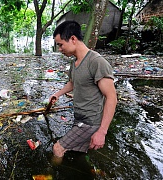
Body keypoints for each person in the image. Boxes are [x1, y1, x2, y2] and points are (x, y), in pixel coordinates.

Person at [50, 20, 117, 163]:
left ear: (73, 39)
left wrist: (102, 132)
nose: (60, 49)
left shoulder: (97, 62)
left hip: (91, 122)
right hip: (79, 118)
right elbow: (73, 83)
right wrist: (57, 94)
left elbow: (111, 97)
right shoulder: (74, 63)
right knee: (77, 153)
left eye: (61, 44)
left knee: (58, 148)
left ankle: (52, 173)